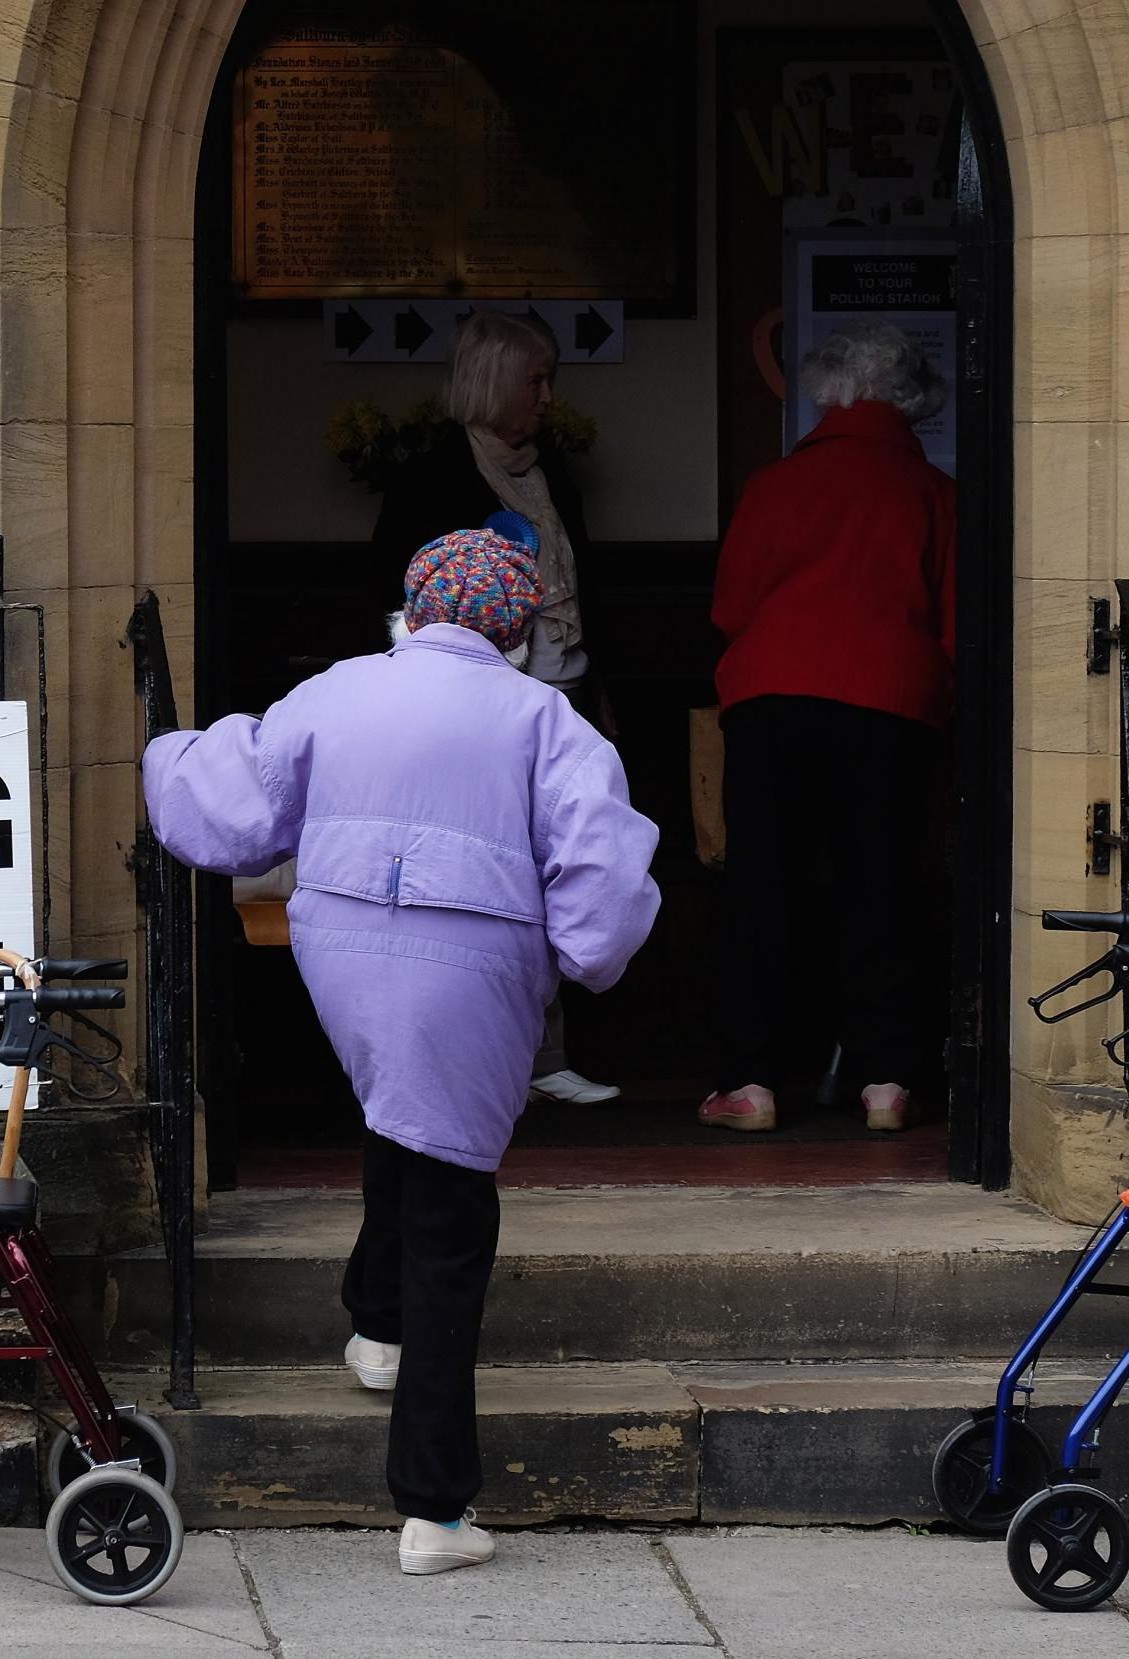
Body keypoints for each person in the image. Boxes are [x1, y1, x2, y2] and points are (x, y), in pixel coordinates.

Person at [142, 529, 661, 1575]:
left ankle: (374, 1325)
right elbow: (601, 886)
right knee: (452, 1217)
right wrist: (579, 958)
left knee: (401, 1117)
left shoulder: (338, 689)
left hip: (340, 950)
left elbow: (234, 805)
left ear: (412, 609)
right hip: (471, 963)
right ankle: (435, 1506)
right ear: (515, 629)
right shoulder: (544, 720)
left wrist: (163, 751)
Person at [700, 323, 958, 1136]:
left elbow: (729, 611)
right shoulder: (934, 493)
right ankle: (885, 1081)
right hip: (890, 704)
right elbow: (955, 629)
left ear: (828, 393)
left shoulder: (772, 486)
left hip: (771, 699)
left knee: (762, 888)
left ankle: (753, 1082)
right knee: (882, 885)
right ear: (910, 400)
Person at [374, 308, 620, 1108]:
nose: (547, 397)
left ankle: (546, 1057)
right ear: (490, 384)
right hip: (475, 715)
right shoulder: (430, 476)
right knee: (482, 882)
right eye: (534, 381)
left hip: (564, 701)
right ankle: (485, 1061)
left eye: (550, 379)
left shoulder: (552, 473)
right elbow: (394, 602)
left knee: (562, 873)